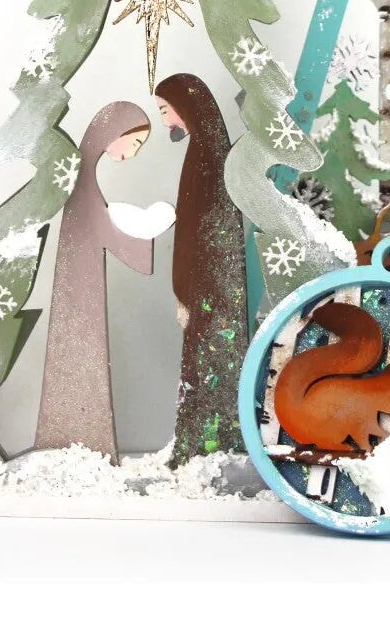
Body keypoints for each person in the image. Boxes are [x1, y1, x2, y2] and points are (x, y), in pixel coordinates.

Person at [34, 102, 161, 462]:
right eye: (133, 143)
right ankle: (74, 438)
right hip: (79, 289)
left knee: (81, 350)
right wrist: (148, 229)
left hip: (83, 282)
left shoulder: (86, 185)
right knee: (78, 351)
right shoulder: (85, 189)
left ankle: (79, 437)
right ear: (111, 133)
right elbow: (109, 236)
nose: (132, 154)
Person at [154, 74, 248, 466]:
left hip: (207, 287)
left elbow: (191, 232)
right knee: (214, 362)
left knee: (208, 362)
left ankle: (208, 445)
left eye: (166, 110)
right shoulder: (212, 151)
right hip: (217, 285)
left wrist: (182, 291)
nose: (165, 121)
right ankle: (212, 442)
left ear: (186, 106)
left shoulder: (204, 158)